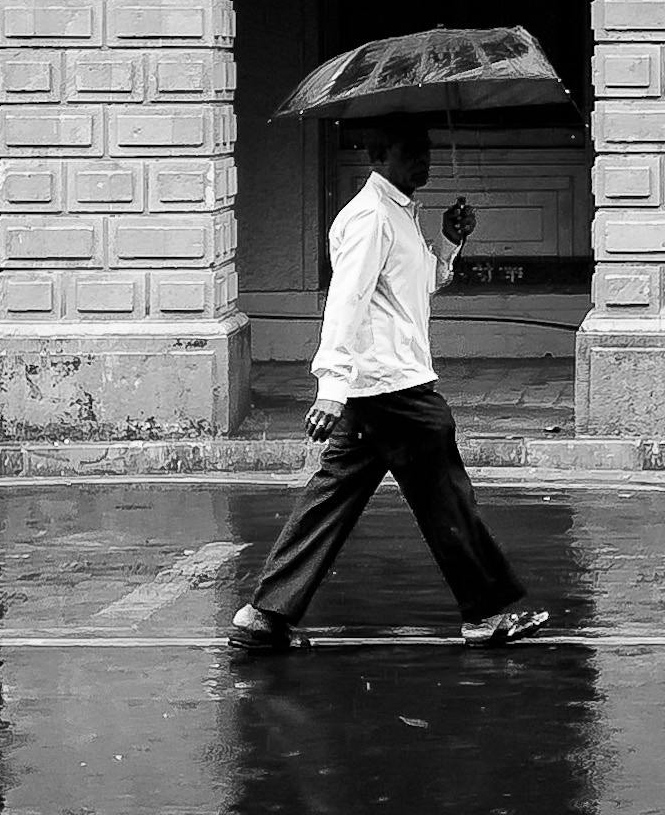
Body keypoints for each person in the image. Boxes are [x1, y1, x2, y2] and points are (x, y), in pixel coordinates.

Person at [229, 119, 548, 653]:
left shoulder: (399, 214)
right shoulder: (369, 218)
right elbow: (346, 300)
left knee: (334, 500)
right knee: (446, 496)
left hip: (380, 387)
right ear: (378, 154)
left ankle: (265, 617)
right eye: (409, 153)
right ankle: (486, 613)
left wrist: (449, 239)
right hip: (392, 387)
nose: (421, 161)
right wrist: (330, 384)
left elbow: (422, 287)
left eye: (424, 152)